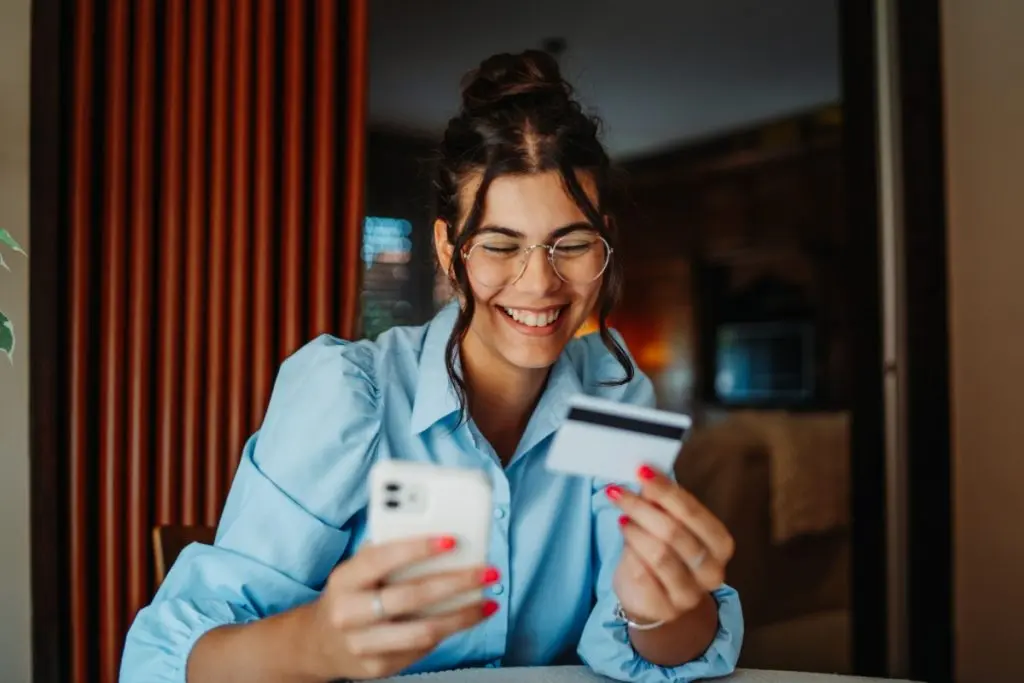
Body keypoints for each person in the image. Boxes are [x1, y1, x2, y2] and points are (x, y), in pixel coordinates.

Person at [120, 50, 743, 683]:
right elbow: (158, 663)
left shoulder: (611, 393)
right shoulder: (345, 393)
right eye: (500, 245)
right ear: (449, 250)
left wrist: (661, 610)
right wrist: (316, 644)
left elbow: (655, 647)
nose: (539, 284)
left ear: (604, 240)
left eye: (572, 244)